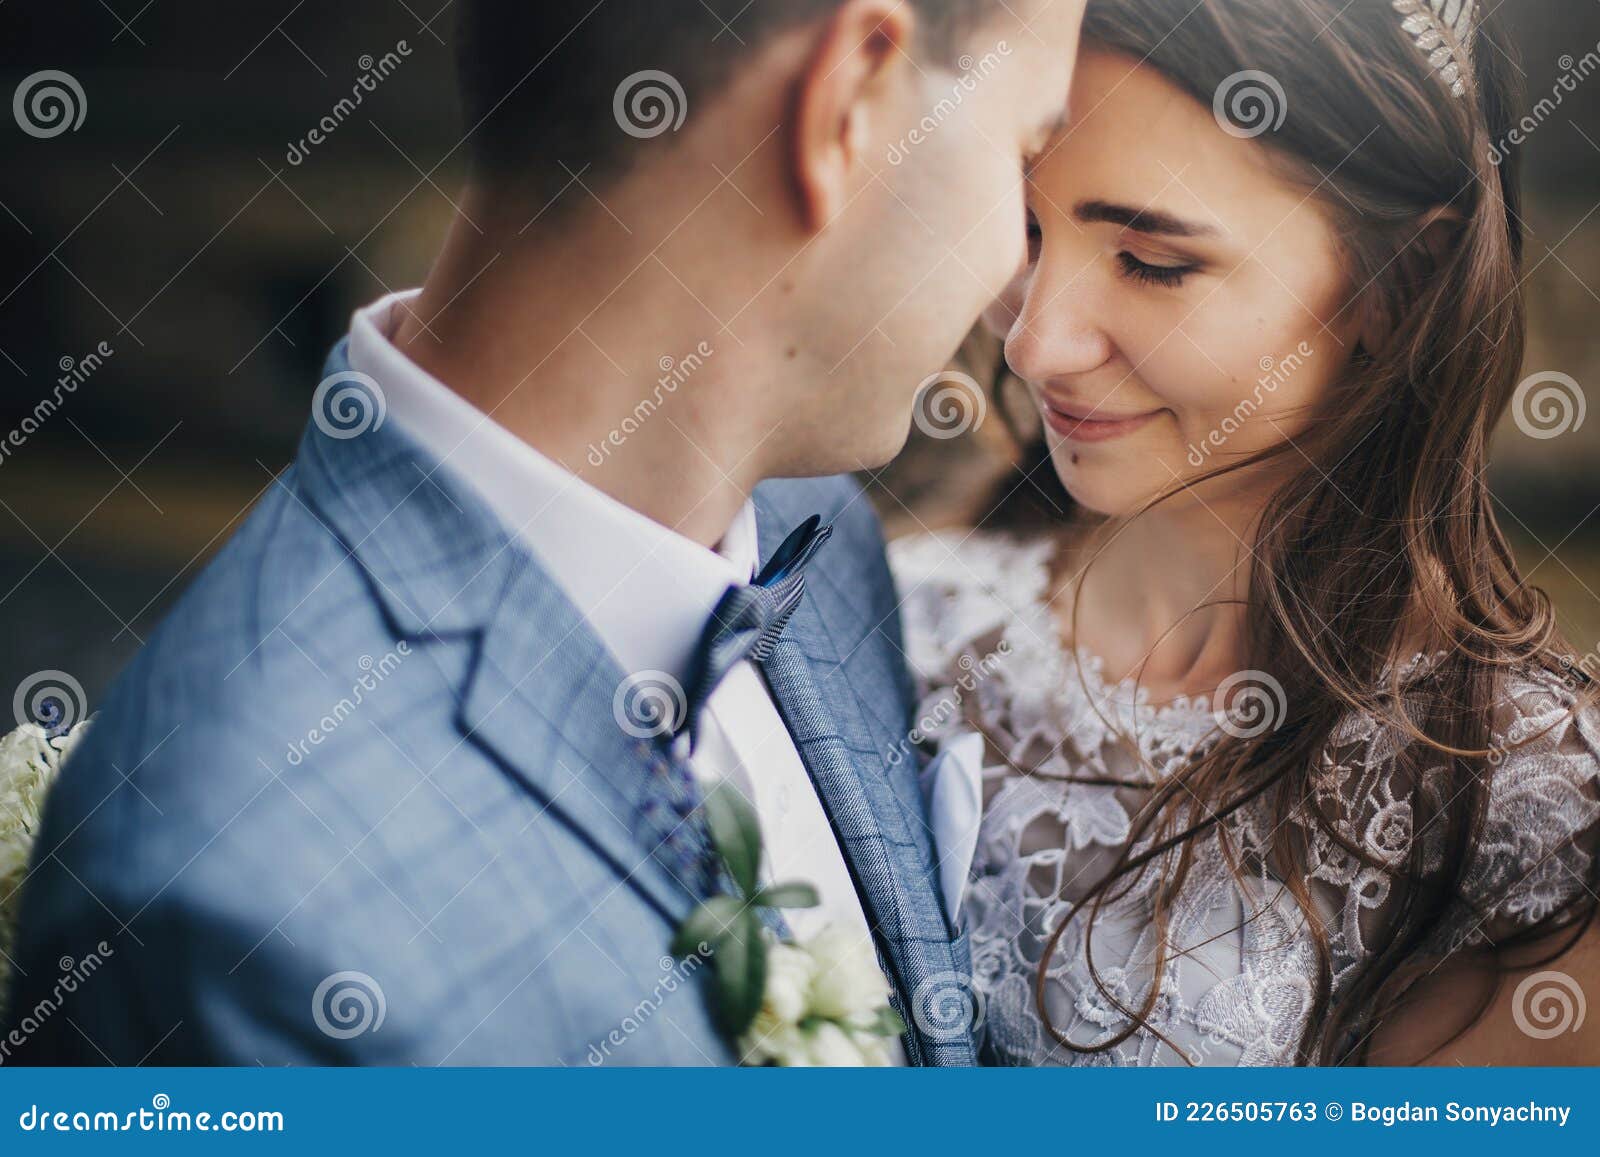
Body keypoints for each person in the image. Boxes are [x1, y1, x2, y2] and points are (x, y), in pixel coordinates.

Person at [2, 0, 1084, 1065]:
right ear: (850, 95)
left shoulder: (819, 530)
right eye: (1024, 155)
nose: (1013, 283)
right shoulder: (239, 914)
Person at [891, 0, 1600, 1066]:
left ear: (1396, 286)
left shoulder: (1523, 817)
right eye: (1027, 229)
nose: (1035, 340)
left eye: (1151, 262)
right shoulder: (895, 603)